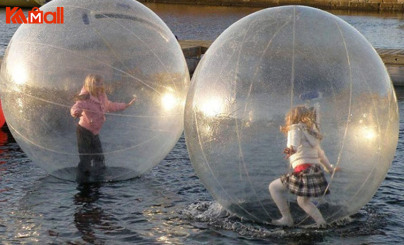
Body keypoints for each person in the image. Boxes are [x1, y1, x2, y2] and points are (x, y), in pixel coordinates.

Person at [269, 105, 338, 227]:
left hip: (303, 171)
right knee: (303, 201)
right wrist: (329, 168)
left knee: (273, 187)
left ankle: (286, 218)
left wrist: (292, 149)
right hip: (315, 171)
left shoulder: (295, 128)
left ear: (292, 118)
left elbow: (294, 141)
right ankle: (321, 223)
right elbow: (320, 154)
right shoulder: (311, 133)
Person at [71, 74, 136, 182]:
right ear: (90, 84)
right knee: (85, 160)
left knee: (99, 158)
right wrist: (75, 112)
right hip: (83, 131)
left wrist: (125, 105)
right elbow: (76, 107)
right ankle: (82, 185)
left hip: (94, 132)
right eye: (97, 83)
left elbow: (109, 105)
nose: (100, 85)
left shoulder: (101, 96)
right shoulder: (85, 97)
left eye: (101, 83)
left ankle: (98, 179)